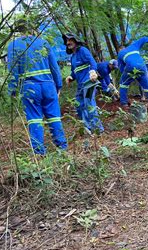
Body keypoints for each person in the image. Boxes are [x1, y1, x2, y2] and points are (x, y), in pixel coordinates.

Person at [7, 20, 67, 155]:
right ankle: (62, 148)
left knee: (34, 119)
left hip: (29, 88)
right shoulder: (43, 42)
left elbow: (12, 70)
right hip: (49, 86)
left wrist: (12, 90)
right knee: (54, 117)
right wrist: (58, 86)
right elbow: (55, 68)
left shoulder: (13, 45)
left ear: (18, 31)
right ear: (33, 29)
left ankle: (39, 152)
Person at [63, 33, 103, 134]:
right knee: (78, 105)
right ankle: (87, 127)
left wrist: (93, 71)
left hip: (89, 83)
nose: (68, 43)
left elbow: (92, 62)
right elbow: (75, 71)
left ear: (76, 41)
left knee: (89, 103)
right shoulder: (72, 57)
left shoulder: (83, 51)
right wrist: (71, 77)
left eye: (70, 40)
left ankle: (98, 129)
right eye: (67, 41)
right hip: (81, 85)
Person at [117, 37, 148, 113]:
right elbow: (144, 39)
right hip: (142, 65)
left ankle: (124, 104)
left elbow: (122, 69)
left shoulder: (120, 54)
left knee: (123, 84)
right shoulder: (134, 46)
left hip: (130, 67)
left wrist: (129, 77)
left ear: (120, 50)